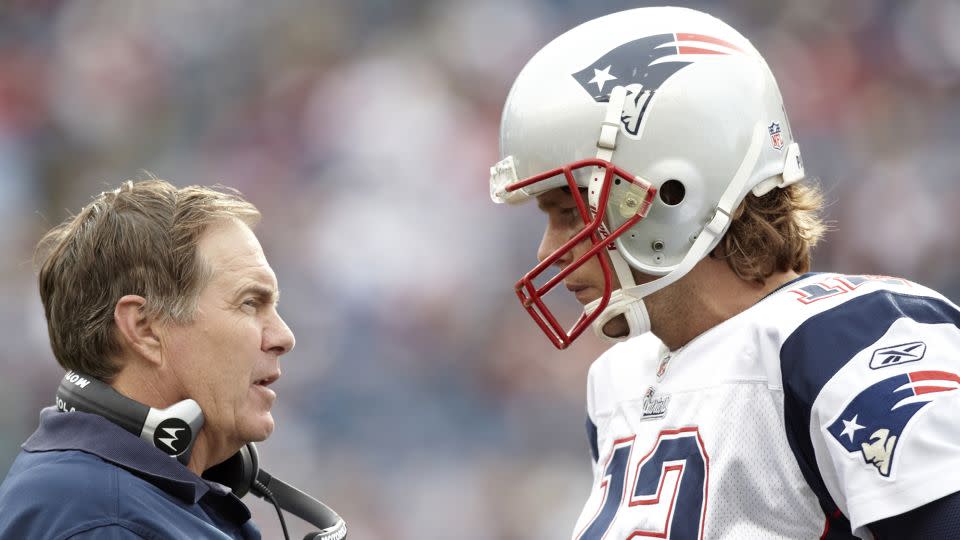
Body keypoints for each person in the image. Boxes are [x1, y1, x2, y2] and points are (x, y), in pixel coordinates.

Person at [489, 6, 960, 539]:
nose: (548, 248)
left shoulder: (850, 342)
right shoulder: (618, 383)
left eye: (570, 211)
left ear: (673, 192)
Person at [0, 179, 295, 538]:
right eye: (250, 303)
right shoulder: (104, 521)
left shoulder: (115, 503)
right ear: (144, 329)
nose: (284, 337)